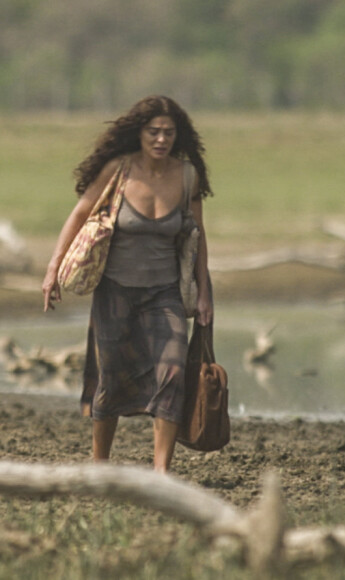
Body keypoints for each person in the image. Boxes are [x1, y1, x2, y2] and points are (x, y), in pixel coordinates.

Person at [42, 96, 213, 473]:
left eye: (169, 132)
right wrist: (53, 267)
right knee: (111, 378)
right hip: (115, 291)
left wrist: (203, 293)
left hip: (164, 292)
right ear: (139, 133)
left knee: (171, 373)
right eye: (153, 131)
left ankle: (161, 473)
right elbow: (80, 213)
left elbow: (198, 238)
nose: (161, 139)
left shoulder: (187, 177)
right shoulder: (118, 171)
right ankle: (100, 467)